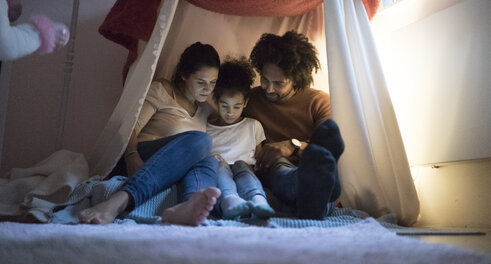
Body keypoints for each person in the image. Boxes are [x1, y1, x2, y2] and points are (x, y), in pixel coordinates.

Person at [79, 42, 222, 226]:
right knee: (201, 140)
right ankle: (118, 201)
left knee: (209, 158)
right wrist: (131, 156)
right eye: (201, 82)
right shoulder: (162, 90)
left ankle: (189, 207)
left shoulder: (205, 110)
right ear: (184, 75)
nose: (208, 89)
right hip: (144, 155)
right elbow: (129, 128)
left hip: (174, 167)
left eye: (213, 82)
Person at [244, 31, 345, 219]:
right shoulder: (247, 100)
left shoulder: (319, 101)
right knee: (283, 175)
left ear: (297, 79)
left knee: (319, 163)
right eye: (264, 79)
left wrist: (292, 146)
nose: (269, 88)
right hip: (273, 172)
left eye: (279, 83)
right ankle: (329, 186)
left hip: (307, 166)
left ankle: (322, 184)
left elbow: (328, 144)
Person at [207, 58, 275, 220]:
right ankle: (231, 201)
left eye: (236, 106)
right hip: (220, 168)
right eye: (225, 106)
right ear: (216, 101)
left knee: (242, 167)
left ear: (245, 103)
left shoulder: (253, 126)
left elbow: (258, 156)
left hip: (245, 169)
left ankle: (259, 201)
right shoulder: (207, 127)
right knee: (220, 167)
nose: (230, 113)